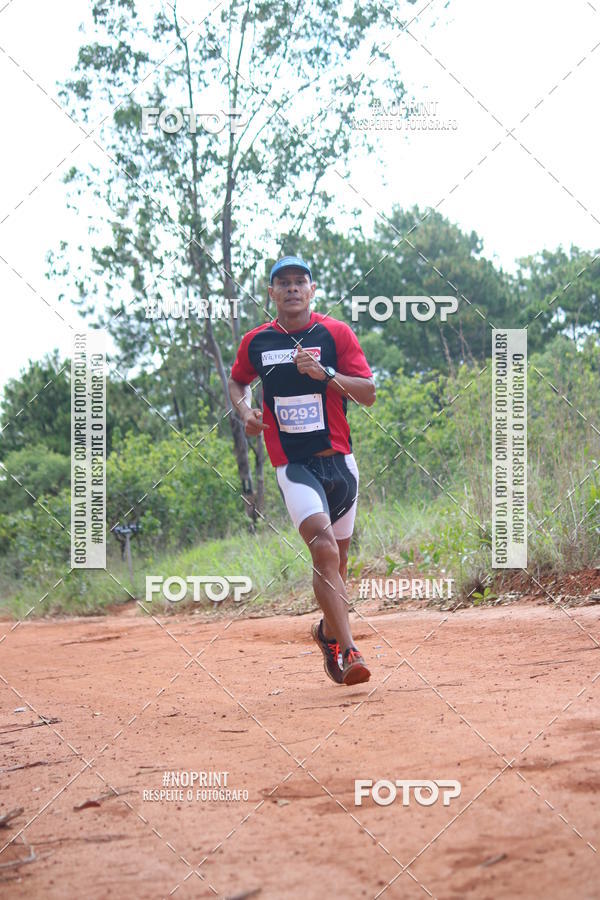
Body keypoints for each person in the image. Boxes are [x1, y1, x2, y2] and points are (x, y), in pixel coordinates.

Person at [228, 256, 376, 685]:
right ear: (270, 293)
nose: (292, 289)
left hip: (341, 464)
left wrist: (326, 373)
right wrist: (244, 413)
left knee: (340, 562)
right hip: (293, 465)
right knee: (324, 551)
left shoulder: (335, 334)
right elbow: (237, 381)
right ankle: (349, 651)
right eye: (283, 283)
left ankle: (327, 633)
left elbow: (368, 393)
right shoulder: (256, 342)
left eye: (300, 282)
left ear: (312, 290)